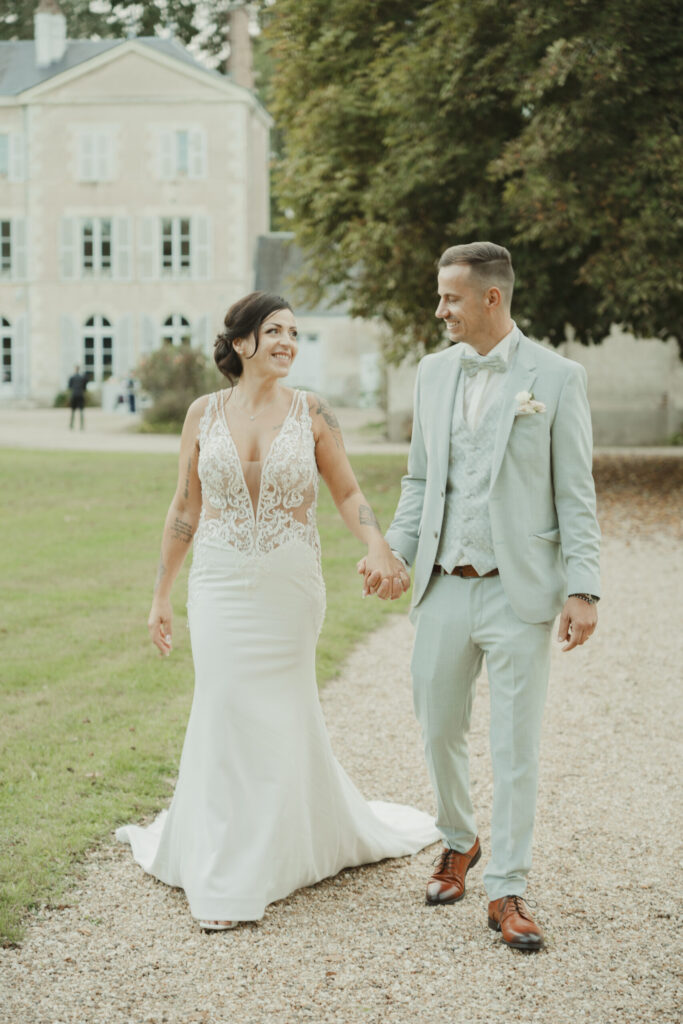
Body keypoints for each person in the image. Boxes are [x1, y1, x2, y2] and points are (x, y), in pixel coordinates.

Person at [116, 291, 439, 931]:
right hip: (220, 584)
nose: (289, 342)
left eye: (294, 332)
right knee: (225, 704)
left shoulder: (313, 410)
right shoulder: (202, 414)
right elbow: (185, 509)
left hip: (290, 588)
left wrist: (378, 542)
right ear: (242, 344)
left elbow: (345, 491)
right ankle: (229, 864)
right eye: (275, 331)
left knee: (283, 710)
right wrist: (160, 596)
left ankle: (279, 844)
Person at [360, 242, 601, 951]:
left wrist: (582, 586)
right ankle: (458, 840)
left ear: (490, 298)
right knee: (437, 727)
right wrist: (395, 551)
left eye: (449, 299)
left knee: (514, 744)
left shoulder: (556, 379)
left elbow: (575, 493)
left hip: (517, 592)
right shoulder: (433, 374)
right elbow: (417, 481)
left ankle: (507, 889)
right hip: (442, 585)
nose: (439, 311)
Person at [67, 364, 88, 430]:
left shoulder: (72, 377)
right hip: (80, 394)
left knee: (73, 411)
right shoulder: (82, 378)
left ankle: (71, 425)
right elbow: (85, 387)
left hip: (74, 394)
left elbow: (69, 387)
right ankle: (81, 425)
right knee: (81, 411)